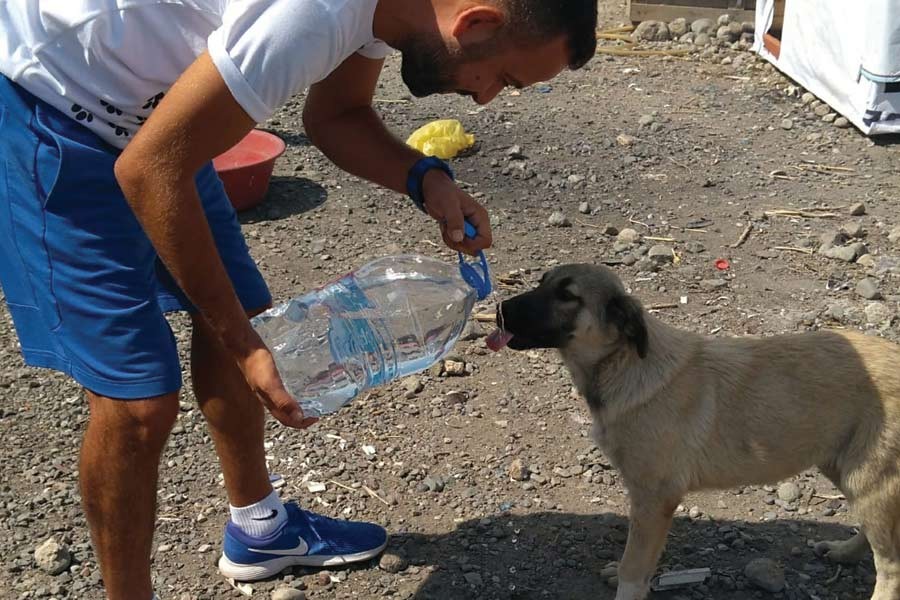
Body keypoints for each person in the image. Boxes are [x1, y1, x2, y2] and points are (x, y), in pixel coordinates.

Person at [0, 0, 598, 598]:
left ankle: (259, 528)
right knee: (140, 403)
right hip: (52, 108)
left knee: (249, 322)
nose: (488, 98)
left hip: (157, 120)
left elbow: (337, 114)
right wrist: (243, 345)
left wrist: (427, 179)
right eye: (504, 78)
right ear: (476, 22)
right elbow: (151, 171)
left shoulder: (392, 12)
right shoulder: (310, 14)